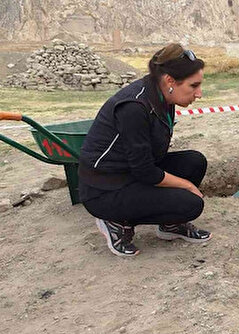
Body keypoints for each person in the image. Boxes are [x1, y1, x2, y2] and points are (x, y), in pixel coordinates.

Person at [78, 43, 210, 257]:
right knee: (191, 205)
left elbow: (147, 161)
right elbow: (145, 171)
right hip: (104, 189)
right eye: (193, 86)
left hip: (130, 172)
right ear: (170, 81)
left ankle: (170, 225)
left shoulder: (162, 97)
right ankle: (115, 222)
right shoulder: (134, 107)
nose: (199, 94)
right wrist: (184, 185)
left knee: (194, 162)